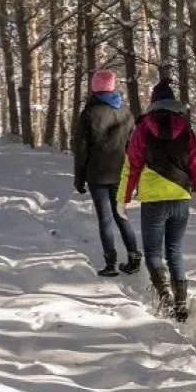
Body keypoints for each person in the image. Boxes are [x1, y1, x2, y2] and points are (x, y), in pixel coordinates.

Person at [118, 79, 196, 321]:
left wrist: (122, 199)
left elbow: (131, 166)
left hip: (154, 200)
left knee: (153, 252)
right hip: (180, 198)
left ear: (153, 104)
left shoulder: (142, 129)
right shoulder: (186, 131)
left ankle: (165, 296)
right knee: (175, 250)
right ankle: (180, 303)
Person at [73, 69, 142, 277]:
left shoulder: (89, 114)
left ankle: (110, 264)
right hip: (120, 173)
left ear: (95, 88)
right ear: (112, 87)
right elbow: (132, 147)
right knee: (121, 215)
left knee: (105, 219)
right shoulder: (126, 114)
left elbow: (81, 149)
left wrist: (79, 177)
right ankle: (134, 257)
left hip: (97, 174)